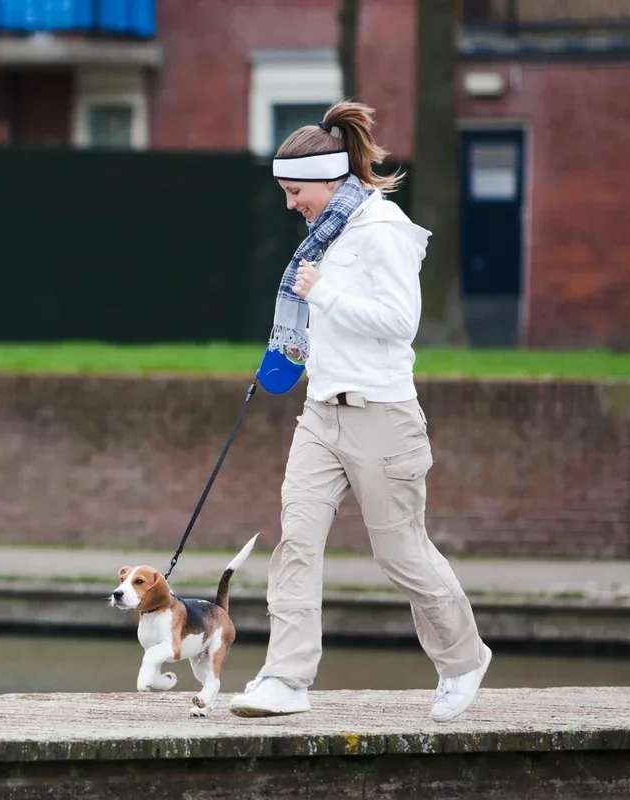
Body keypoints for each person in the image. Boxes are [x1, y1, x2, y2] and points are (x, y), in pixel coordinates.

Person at [227, 100, 492, 723]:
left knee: (401, 554)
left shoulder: (384, 230)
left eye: (296, 191)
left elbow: (401, 324)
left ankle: (462, 659)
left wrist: (326, 291)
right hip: (321, 413)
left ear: (328, 179)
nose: (292, 204)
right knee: (296, 540)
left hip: (384, 418)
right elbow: (329, 327)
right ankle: (286, 679)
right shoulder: (329, 233)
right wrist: (291, 356)